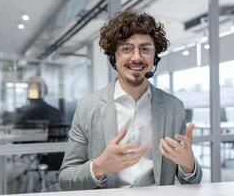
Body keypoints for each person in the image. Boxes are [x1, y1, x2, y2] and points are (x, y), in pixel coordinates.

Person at [59, 11, 202, 190]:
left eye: (145, 48)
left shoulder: (174, 107)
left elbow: (192, 182)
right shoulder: (88, 107)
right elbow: (66, 179)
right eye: (126, 48)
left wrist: (189, 166)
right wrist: (99, 167)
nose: (136, 57)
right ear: (114, 56)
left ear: (154, 56)